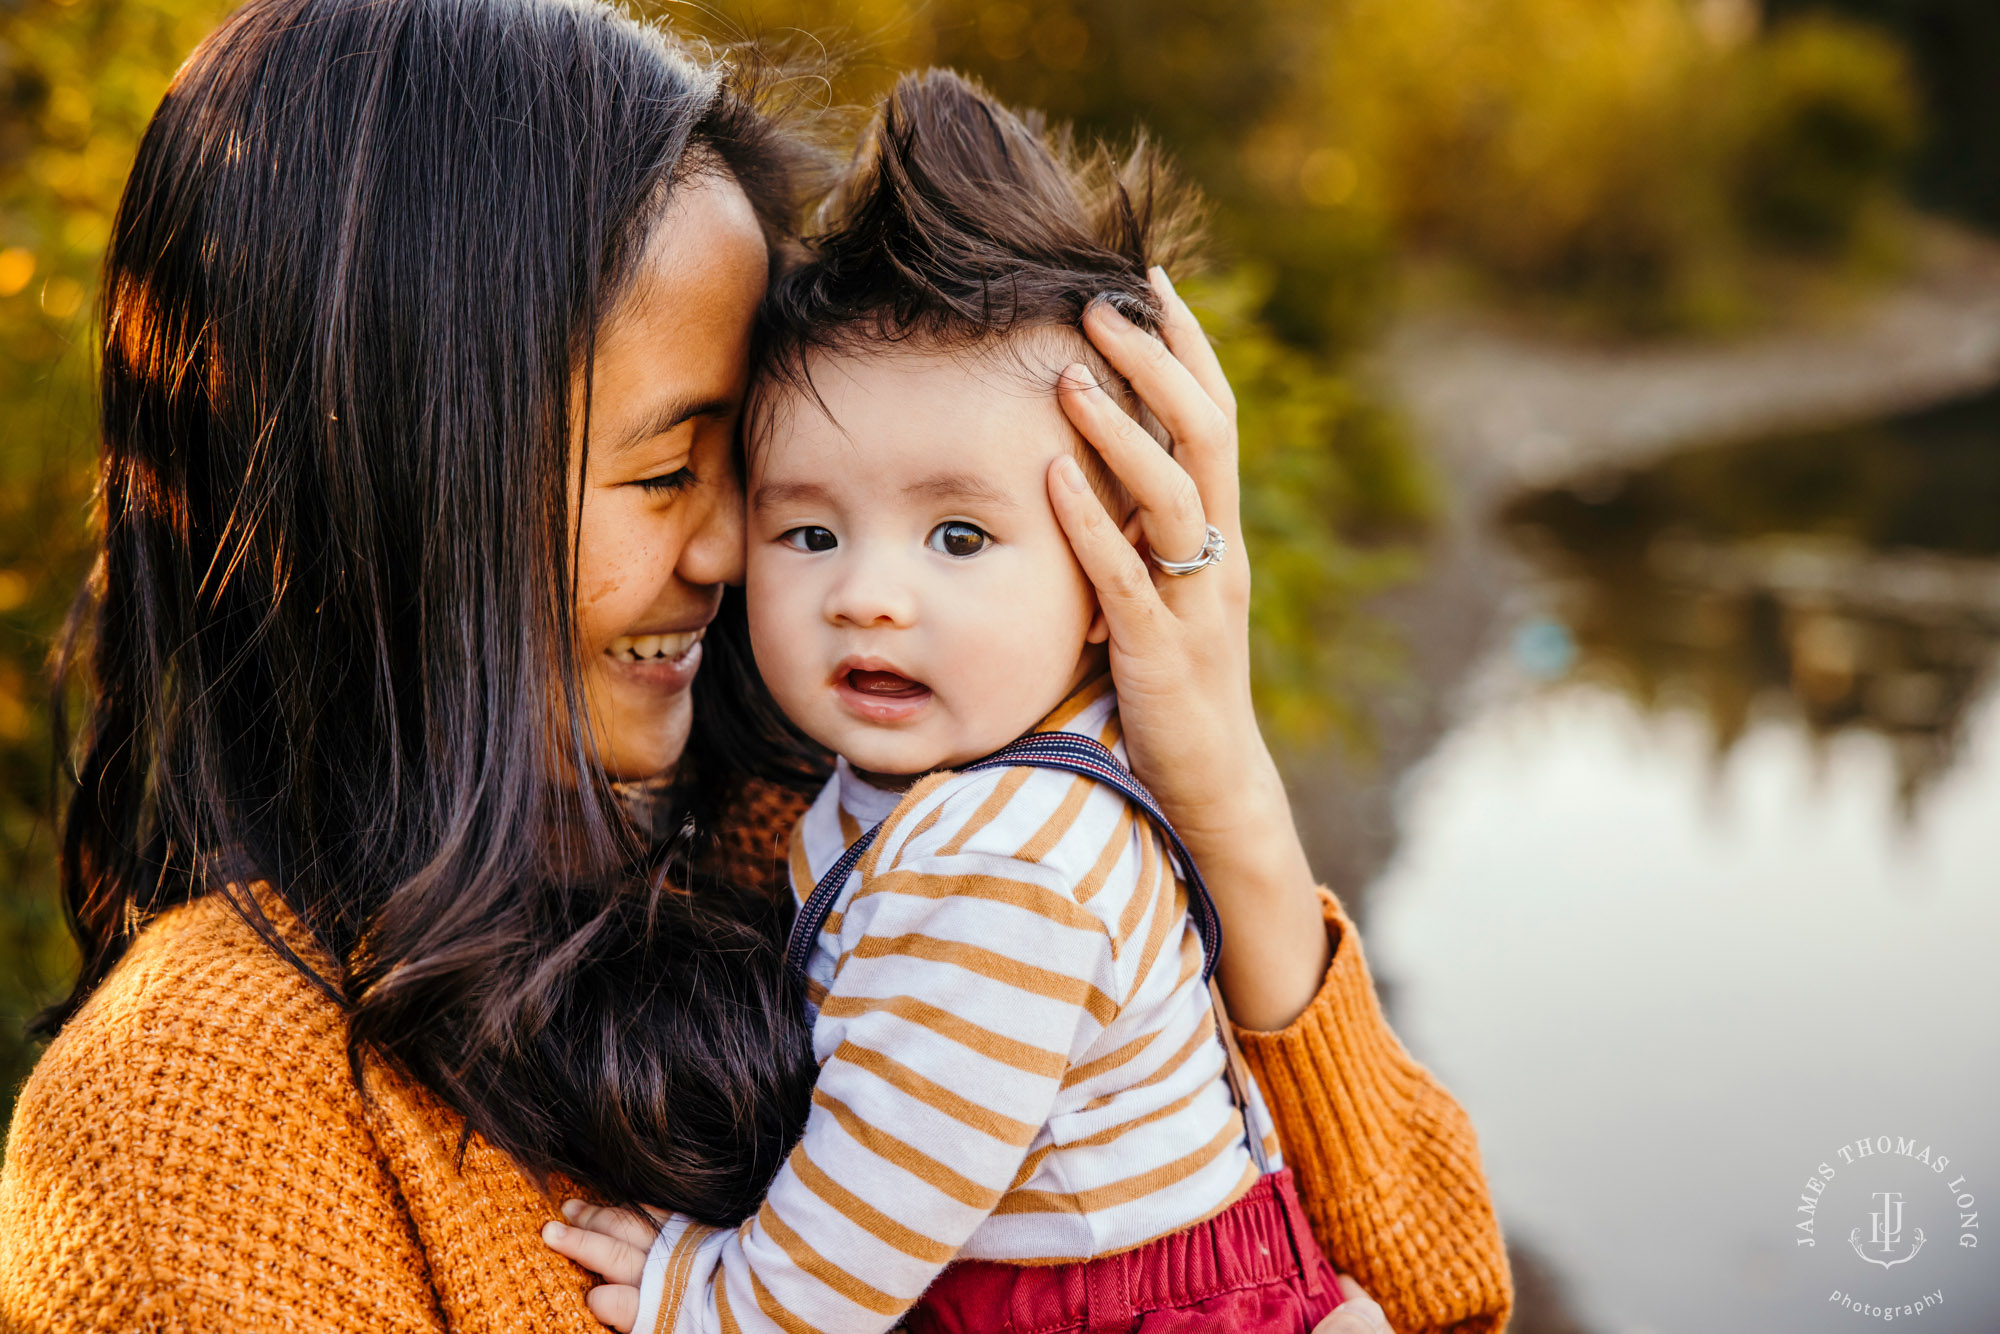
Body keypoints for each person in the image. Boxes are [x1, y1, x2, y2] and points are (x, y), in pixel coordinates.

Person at [0, 2, 1511, 1332]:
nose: (735, 555)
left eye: (760, 474)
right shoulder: (193, 1121)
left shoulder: (810, 818)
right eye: (669, 476)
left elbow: (1437, 1293)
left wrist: (1224, 789)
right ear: (391, 486)